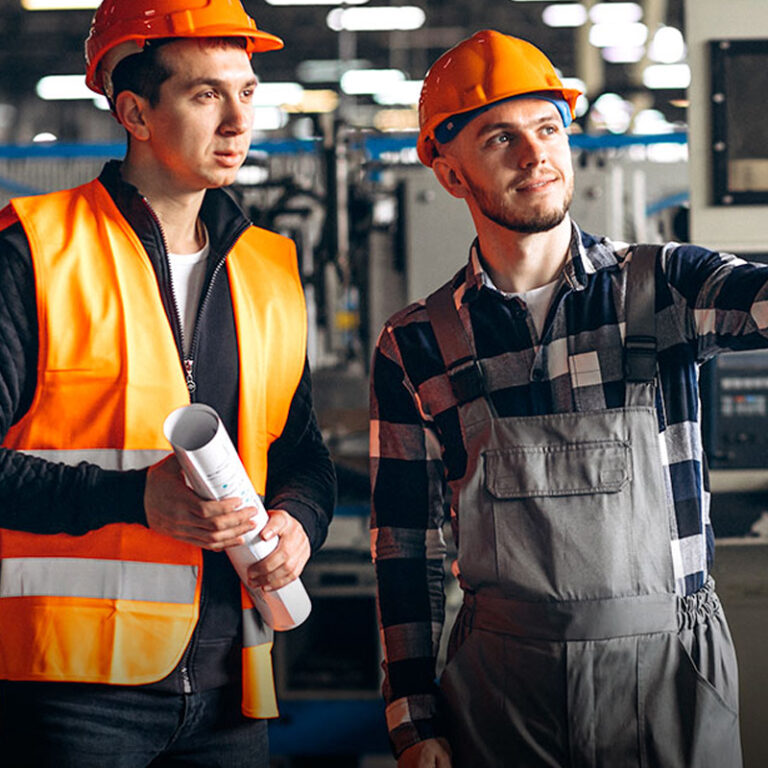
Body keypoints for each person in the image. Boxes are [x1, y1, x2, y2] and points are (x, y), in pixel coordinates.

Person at [370, 29, 754, 768]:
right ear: (449, 174)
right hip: (501, 693)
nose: (534, 154)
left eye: (548, 129)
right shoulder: (416, 344)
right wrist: (413, 720)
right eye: (500, 138)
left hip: (671, 677)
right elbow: (404, 548)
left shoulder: (666, 287)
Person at [0, 1, 335, 766]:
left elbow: (302, 454)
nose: (237, 121)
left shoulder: (270, 269)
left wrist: (300, 520)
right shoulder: (36, 254)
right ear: (135, 113)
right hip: (67, 691)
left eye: (246, 92)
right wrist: (132, 499)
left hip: (231, 689)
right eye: (205, 94)